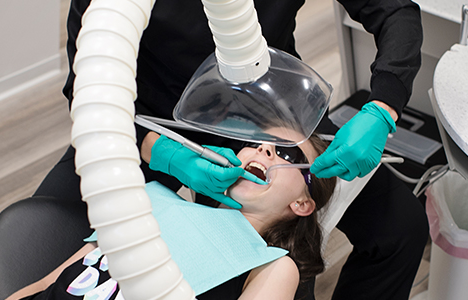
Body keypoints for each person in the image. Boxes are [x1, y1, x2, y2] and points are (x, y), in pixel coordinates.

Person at [35, 0, 428, 298]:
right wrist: (165, 154)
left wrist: (382, 108)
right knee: (43, 232)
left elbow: (396, 11)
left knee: (399, 228)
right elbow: (85, 88)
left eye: (286, 158)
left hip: (269, 112)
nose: (268, 157)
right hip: (151, 122)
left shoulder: (272, 148)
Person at [9, 132, 337, 300]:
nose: (263, 150)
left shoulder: (273, 265)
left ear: (303, 204)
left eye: (286, 153)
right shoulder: (152, 198)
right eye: (256, 143)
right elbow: (52, 280)